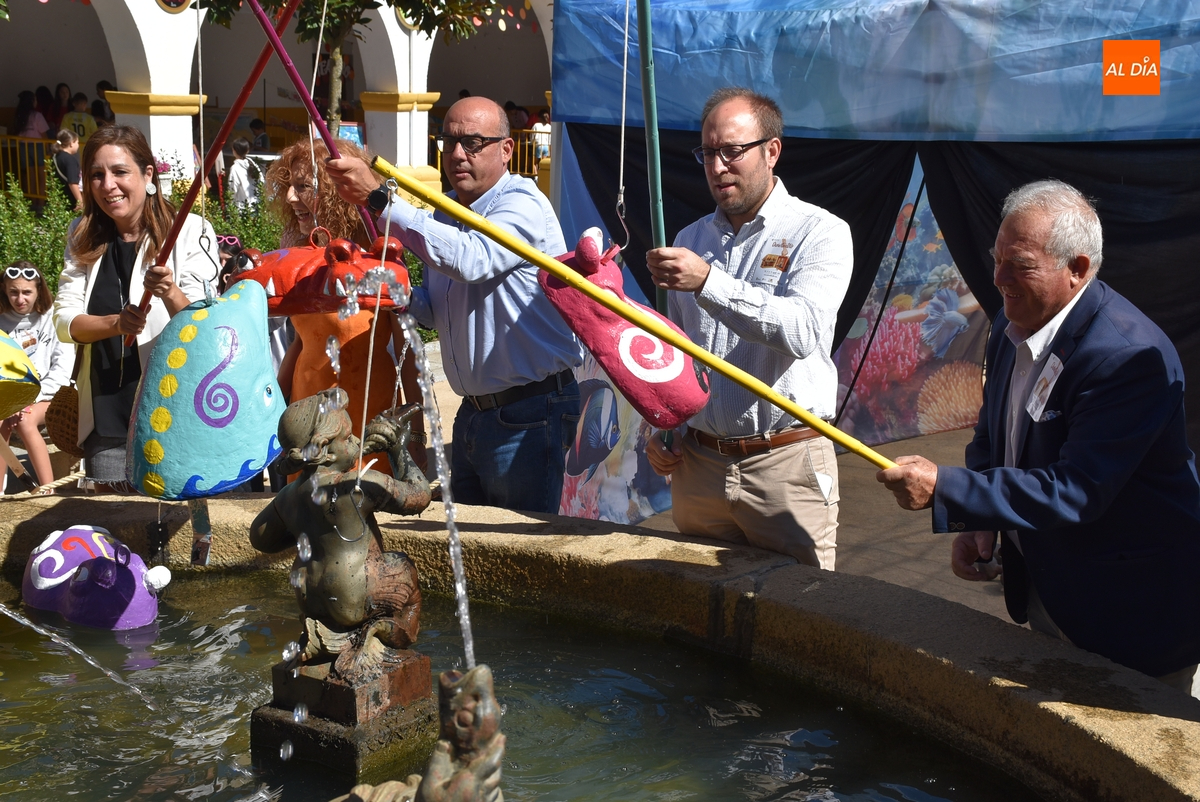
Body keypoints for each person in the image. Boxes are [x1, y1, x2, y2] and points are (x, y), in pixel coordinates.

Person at [876, 179, 1200, 694]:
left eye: (1020, 264)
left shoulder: (1126, 358)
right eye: (997, 257)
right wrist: (976, 519)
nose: (999, 277)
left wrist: (947, 489)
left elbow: (1076, 490)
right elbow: (993, 433)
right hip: (1054, 593)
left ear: (1078, 269)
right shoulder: (1019, 320)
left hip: (1130, 612)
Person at [327, 96, 583, 513]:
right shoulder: (447, 215)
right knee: (468, 545)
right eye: (449, 142)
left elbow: (471, 260)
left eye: (474, 142)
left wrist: (380, 199)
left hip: (530, 413)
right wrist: (395, 293)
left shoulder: (522, 203)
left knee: (520, 551)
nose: (458, 154)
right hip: (474, 413)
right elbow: (438, 309)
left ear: (506, 149)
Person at [644, 87, 852, 571]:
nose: (717, 167)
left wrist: (709, 281)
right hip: (699, 466)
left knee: (803, 617)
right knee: (700, 616)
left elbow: (801, 332)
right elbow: (676, 354)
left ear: (772, 150)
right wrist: (666, 429)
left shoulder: (819, 232)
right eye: (707, 153)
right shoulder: (690, 239)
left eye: (732, 151)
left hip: (786, 466)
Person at [54, 125, 218, 492]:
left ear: (147, 175)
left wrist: (170, 291)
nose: (107, 185)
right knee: (111, 535)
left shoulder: (190, 231)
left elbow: (204, 324)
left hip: (173, 416)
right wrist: (116, 323)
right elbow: (65, 321)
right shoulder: (82, 234)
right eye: (96, 175)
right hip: (106, 418)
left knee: (172, 533)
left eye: (119, 172)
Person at [265, 139, 404, 475]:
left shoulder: (376, 255)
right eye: (288, 187)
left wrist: (414, 433)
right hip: (306, 405)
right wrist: (272, 415)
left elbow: (405, 352)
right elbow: (301, 343)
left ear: (335, 193)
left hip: (366, 402)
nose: (290, 198)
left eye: (302, 187)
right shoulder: (299, 259)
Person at [0, 261, 74, 491]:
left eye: (26, 292)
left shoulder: (53, 318)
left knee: (25, 420)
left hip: (49, 394)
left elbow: (62, 368)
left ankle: (47, 490)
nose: (20, 299)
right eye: (13, 292)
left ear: (38, 291)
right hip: (10, 396)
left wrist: (27, 399)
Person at [50, 130, 83, 211]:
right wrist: (80, 201)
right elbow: (72, 182)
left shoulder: (55, 156)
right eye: (77, 142)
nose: (78, 145)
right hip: (70, 199)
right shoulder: (70, 160)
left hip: (59, 197)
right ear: (71, 143)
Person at [227, 137, 259, 209]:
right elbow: (262, 182)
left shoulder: (235, 168)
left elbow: (232, 190)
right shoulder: (253, 164)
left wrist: (230, 205)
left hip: (243, 209)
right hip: (256, 205)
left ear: (234, 150)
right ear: (247, 150)